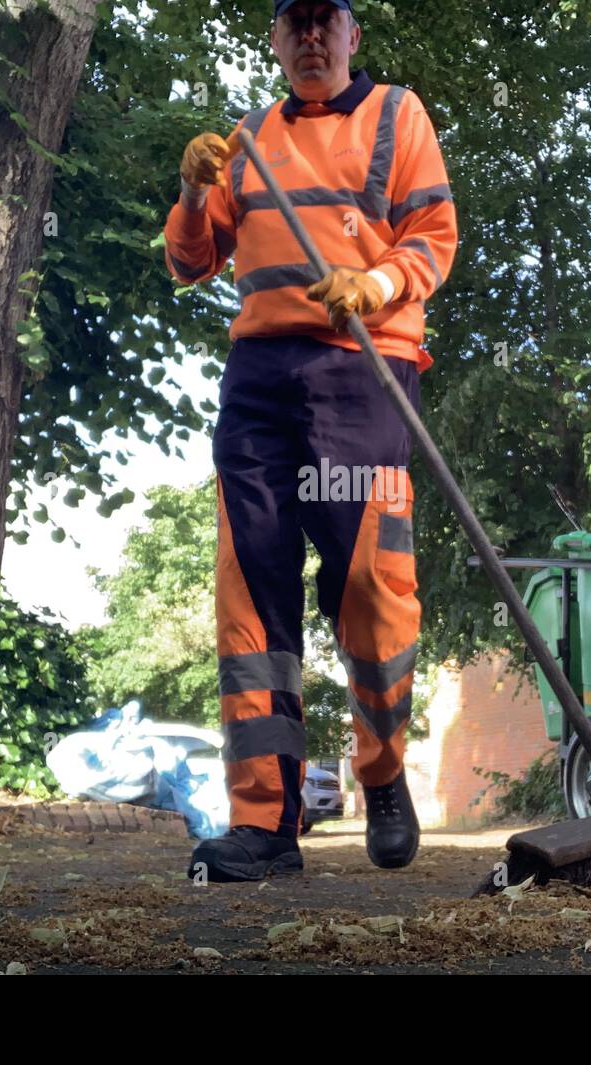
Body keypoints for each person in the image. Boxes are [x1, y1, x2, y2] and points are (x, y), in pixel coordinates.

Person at [163, 0, 457, 882]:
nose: (312, 37)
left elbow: (435, 239)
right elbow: (190, 262)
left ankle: (384, 769)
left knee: (369, 574)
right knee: (252, 585)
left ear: (354, 33)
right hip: (258, 378)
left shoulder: (398, 116)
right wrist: (188, 191)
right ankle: (265, 822)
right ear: (277, 38)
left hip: (362, 370)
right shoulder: (246, 140)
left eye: (327, 18)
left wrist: (375, 282)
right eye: (295, 21)